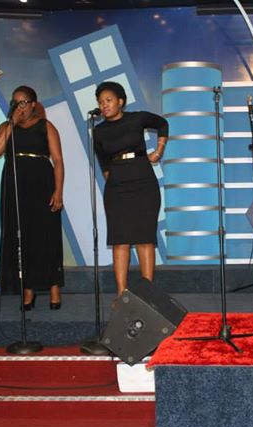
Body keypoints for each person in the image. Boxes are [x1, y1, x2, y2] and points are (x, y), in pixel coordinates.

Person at [0, 86, 65, 310]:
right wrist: (11, 123)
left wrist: (58, 191)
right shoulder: (6, 127)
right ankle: (28, 289)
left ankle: (54, 287)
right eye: (15, 102)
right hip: (15, 187)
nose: (19, 106)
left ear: (33, 104)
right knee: (22, 237)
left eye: (23, 102)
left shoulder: (46, 126)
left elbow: (58, 160)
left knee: (47, 237)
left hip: (42, 186)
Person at [92, 81, 168, 296]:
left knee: (145, 238)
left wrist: (159, 151)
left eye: (108, 100)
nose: (104, 105)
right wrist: (115, 180)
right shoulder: (99, 131)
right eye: (101, 102)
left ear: (121, 101)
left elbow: (162, 123)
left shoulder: (137, 118)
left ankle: (147, 293)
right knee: (120, 240)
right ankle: (121, 294)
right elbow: (103, 162)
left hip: (143, 181)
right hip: (117, 187)